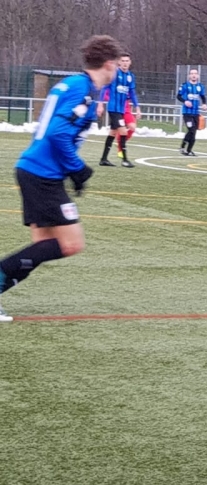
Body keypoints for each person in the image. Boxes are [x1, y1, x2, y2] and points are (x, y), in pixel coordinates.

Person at [0, 35, 123, 321]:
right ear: (109, 63)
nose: (117, 70)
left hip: (35, 169)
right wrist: (77, 169)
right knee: (70, 243)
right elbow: (57, 133)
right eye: (117, 64)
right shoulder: (84, 90)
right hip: (43, 174)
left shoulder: (73, 84)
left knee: (42, 246)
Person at [98, 52, 139, 168]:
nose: (125, 63)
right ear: (119, 62)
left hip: (121, 109)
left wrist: (137, 107)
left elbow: (132, 93)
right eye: (123, 61)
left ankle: (103, 159)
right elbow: (104, 89)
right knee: (123, 132)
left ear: (130, 62)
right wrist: (100, 104)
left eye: (127, 61)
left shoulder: (130, 76)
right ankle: (125, 160)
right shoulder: (114, 73)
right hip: (113, 109)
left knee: (112, 133)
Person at [177, 68, 207, 156]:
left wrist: (204, 104)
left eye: (195, 73)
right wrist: (185, 101)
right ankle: (184, 147)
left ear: (198, 76)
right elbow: (178, 96)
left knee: (194, 132)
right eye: (192, 73)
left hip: (196, 113)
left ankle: (188, 150)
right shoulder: (185, 85)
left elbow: (203, 97)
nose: (194, 75)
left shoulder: (200, 86)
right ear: (189, 75)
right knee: (191, 129)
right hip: (187, 113)